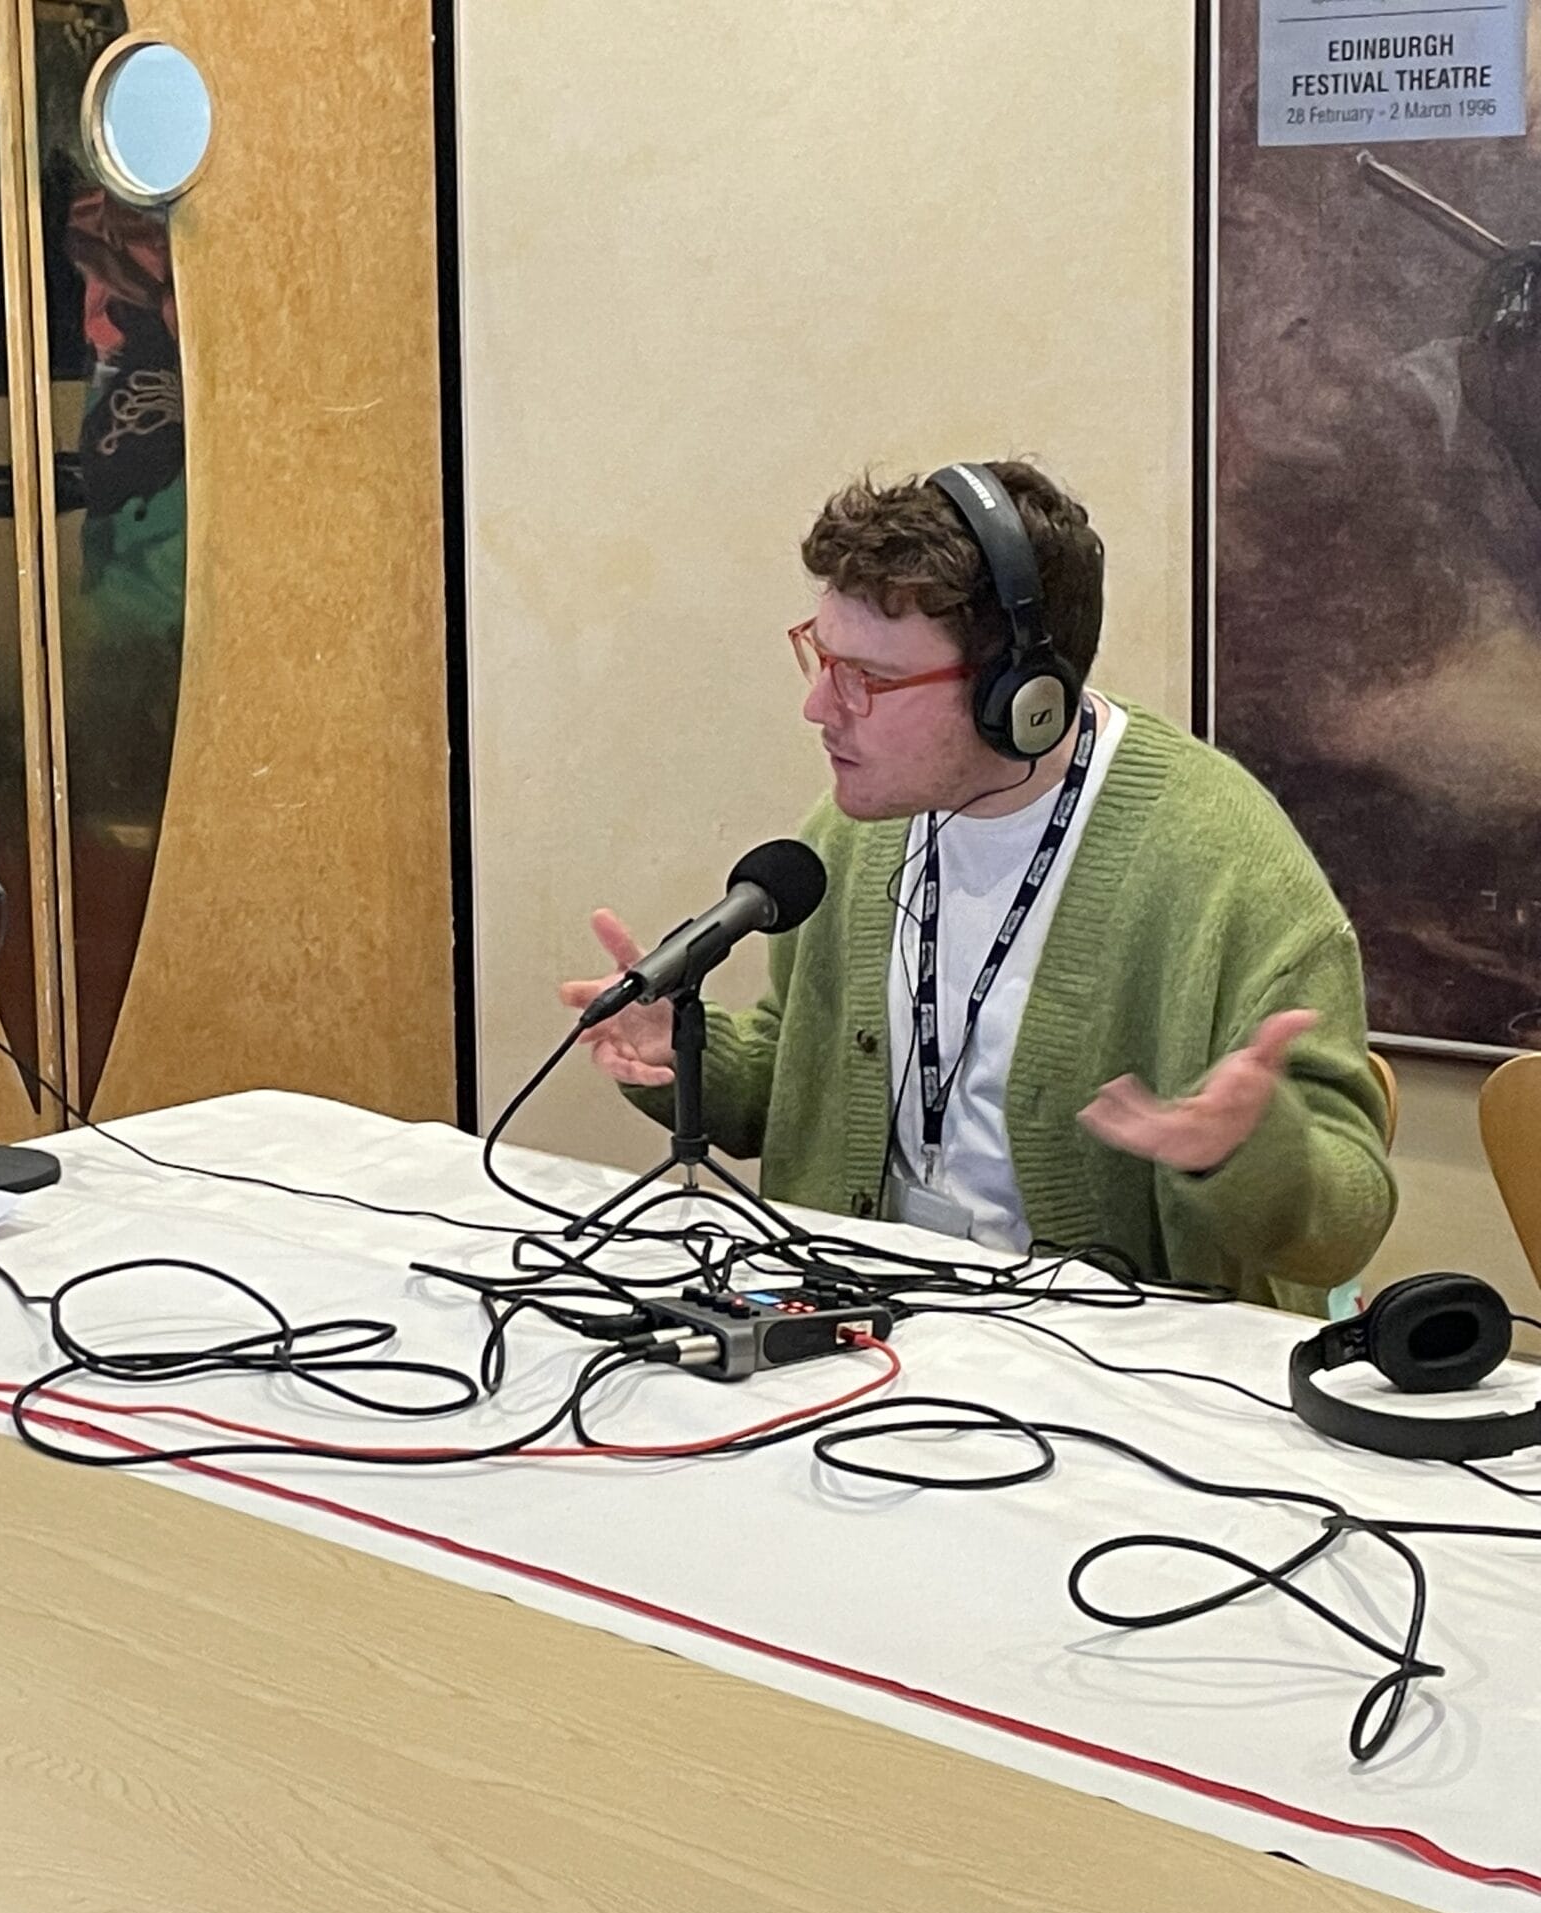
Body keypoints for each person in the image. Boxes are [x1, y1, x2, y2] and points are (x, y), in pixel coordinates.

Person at [559, 461, 1395, 1311]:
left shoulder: (1228, 870)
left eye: (868, 680)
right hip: (856, 1329)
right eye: (821, 655)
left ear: (1022, 698)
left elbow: (1347, 1221)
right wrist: (686, 1052)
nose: (818, 707)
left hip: (1102, 1375)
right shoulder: (855, 829)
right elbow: (799, 1078)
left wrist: (1245, 1154)